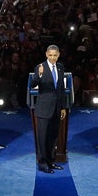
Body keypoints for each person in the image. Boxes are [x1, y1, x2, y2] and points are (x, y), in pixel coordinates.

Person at [29, 45, 68, 174]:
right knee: (43, 138)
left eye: (55, 55)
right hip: (44, 109)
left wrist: (63, 107)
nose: (52, 58)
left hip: (57, 109)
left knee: (53, 137)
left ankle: (51, 161)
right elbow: (33, 84)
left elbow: (61, 89)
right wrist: (38, 75)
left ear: (58, 55)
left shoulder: (61, 67)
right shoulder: (40, 67)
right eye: (50, 55)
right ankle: (42, 163)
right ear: (46, 54)